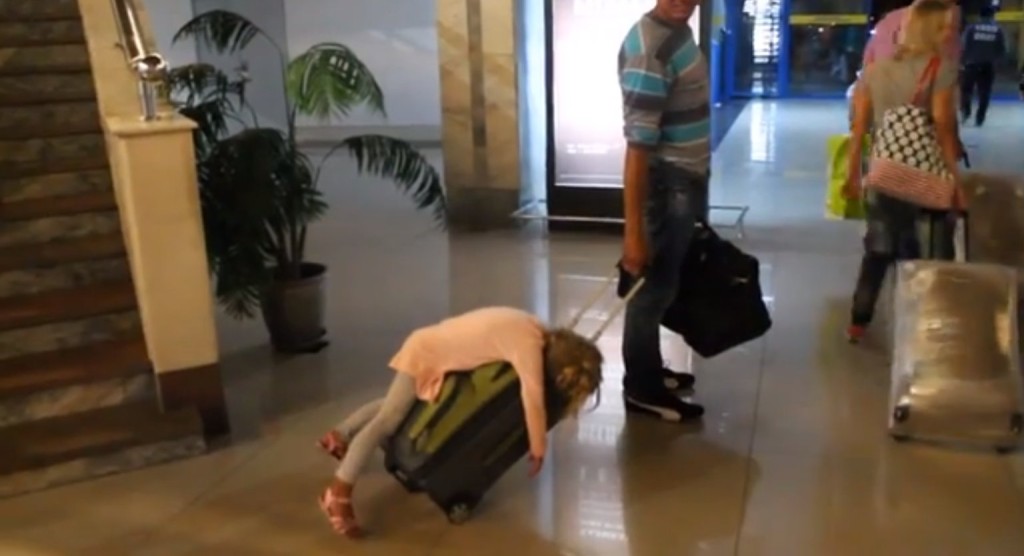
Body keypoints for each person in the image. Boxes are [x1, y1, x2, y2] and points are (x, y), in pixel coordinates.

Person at [314, 307, 604, 538]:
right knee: (388, 421)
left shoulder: (534, 329)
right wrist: (538, 445)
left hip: (435, 347)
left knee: (397, 407)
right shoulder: (527, 346)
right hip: (427, 352)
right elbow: (533, 394)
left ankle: (340, 434)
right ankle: (339, 492)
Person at [844, 0, 964, 344]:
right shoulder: (941, 68)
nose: (950, 34)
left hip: (885, 171)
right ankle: (927, 321)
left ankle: (859, 320)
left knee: (878, 248)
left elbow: (860, 128)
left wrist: (854, 174)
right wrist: (955, 180)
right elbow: (943, 127)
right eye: (944, 27)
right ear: (930, 29)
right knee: (932, 253)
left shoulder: (876, 69)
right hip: (926, 172)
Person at [617, 0, 709, 422]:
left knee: (663, 284)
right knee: (649, 290)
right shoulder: (649, 51)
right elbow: (637, 151)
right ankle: (642, 387)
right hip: (667, 185)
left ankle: (648, 369)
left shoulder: (678, 30)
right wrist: (633, 234)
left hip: (684, 181)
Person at [960, 5, 1005, 126]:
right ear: (992, 16)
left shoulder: (971, 28)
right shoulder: (997, 30)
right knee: (984, 92)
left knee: (966, 90)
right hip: (988, 65)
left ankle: (966, 111)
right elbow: (1001, 50)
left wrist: (962, 61)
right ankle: (980, 118)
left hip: (971, 64)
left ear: (980, 16)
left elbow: (963, 46)